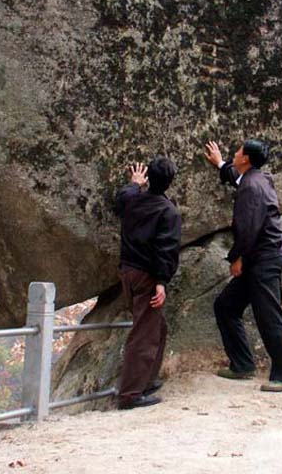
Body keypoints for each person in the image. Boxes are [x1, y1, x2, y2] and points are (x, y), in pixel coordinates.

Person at [204, 138, 282, 392]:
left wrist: (236, 258)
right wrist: (220, 163)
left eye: (237, 152)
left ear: (245, 158)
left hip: (262, 259)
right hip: (259, 256)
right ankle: (242, 364)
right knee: (225, 306)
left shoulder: (251, 187)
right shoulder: (258, 178)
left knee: (269, 316)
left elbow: (248, 228)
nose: (234, 153)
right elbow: (236, 177)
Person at [114, 156, 182, 409]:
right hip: (147, 277)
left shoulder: (133, 201)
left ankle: (145, 380)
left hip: (128, 273)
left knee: (157, 328)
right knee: (143, 335)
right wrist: (162, 282)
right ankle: (130, 394)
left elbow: (121, 199)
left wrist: (134, 183)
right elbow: (167, 249)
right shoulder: (168, 212)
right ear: (170, 182)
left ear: (149, 178)